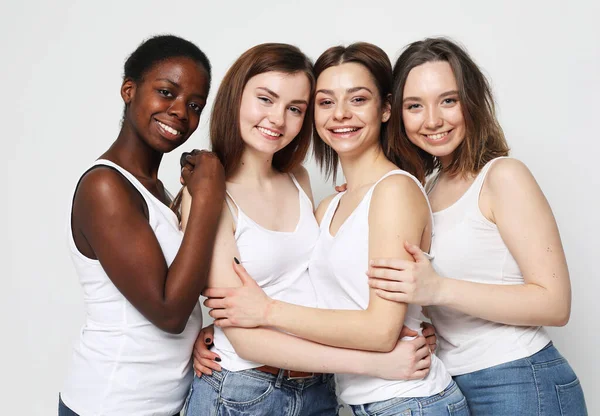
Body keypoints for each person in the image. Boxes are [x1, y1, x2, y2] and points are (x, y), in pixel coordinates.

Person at [201, 43, 468, 416]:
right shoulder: (328, 205)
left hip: (406, 401)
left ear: (386, 108)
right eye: (325, 103)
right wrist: (214, 331)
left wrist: (267, 311)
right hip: (343, 397)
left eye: (358, 99)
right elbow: (298, 288)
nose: (340, 114)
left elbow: (380, 330)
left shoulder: (392, 191)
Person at [365, 37, 588, 415]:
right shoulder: (423, 191)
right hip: (450, 384)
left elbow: (555, 303)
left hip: (519, 378)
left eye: (448, 100)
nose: (433, 119)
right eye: (415, 105)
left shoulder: (502, 176)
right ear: (396, 114)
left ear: (471, 102)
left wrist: (439, 289)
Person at [60, 35, 225, 416]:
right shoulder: (105, 186)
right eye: (166, 92)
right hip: (111, 403)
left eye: (194, 104)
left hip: (159, 404)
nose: (181, 111)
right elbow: (169, 313)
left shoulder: (155, 189)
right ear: (129, 90)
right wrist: (209, 199)